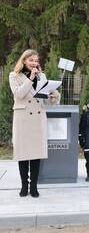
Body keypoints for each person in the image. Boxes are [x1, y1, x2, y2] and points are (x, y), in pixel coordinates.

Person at [9, 49, 60, 197]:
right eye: (31, 60)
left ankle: (34, 186)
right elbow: (19, 94)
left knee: (36, 154)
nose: (34, 63)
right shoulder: (14, 76)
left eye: (36, 61)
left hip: (38, 118)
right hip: (23, 118)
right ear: (24, 60)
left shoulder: (42, 76)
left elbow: (45, 100)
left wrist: (52, 98)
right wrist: (30, 78)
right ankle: (24, 185)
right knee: (23, 154)